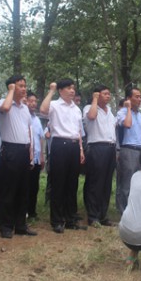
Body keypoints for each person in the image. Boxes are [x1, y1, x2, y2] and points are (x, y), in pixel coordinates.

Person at [40, 79, 86, 233]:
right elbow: (43, 110)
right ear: (61, 91)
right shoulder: (54, 105)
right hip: (59, 145)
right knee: (58, 184)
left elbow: (78, 131)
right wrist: (51, 91)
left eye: (73, 88)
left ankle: (71, 218)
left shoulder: (76, 109)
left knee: (72, 184)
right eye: (68, 88)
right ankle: (57, 220)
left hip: (74, 146)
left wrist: (80, 149)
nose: (72, 91)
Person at [0, 75, 36, 238]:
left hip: (24, 151)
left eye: (24, 86)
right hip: (9, 151)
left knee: (23, 190)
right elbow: (5, 108)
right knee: (8, 190)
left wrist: (31, 152)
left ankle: (20, 224)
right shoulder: (3, 102)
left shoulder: (25, 108)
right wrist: (11, 91)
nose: (24, 88)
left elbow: (28, 130)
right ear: (11, 87)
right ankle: (6, 226)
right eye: (20, 86)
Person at [82, 85, 117, 228]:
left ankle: (103, 215)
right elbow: (91, 116)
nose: (108, 96)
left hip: (110, 148)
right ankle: (92, 216)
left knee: (106, 184)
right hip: (97, 147)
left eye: (109, 94)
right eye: (104, 94)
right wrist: (94, 99)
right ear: (96, 95)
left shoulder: (110, 112)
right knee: (95, 183)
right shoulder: (88, 108)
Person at [116, 87, 141, 214]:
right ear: (128, 98)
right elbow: (127, 124)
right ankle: (124, 211)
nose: (139, 99)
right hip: (128, 149)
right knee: (127, 182)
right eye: (136, 97)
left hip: (140, 149)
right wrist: (128, 108)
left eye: (140, 97)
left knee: (139, 182)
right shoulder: (122, 112)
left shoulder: (140, 115)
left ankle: (136, 209)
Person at [26, 92, 45, 222]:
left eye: (35, 101)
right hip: (27, 157)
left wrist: (42, 155)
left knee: (34, 186)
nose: (33, 104)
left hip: (37, 157)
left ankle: (32, 211)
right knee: (25, 186)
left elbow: (40, 138)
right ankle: (24, 211)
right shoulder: (23, 116)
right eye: (30, 101)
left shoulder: (37, 119)